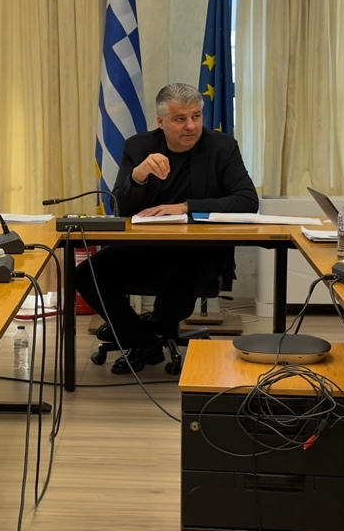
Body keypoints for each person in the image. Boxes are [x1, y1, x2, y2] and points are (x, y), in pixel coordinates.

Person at [74, 82, 259, 374]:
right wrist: (138, 176)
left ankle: (134, 334)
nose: (191, 126)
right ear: (161, 122)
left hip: (200, 253)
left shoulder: (222, 147)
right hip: (145, 249)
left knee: (176, 291)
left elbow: (248, 201)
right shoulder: (139, 147)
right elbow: (120, 207)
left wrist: (186, 206)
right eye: (180, 119)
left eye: (196, 116)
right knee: (86, 274)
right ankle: (145, 341)